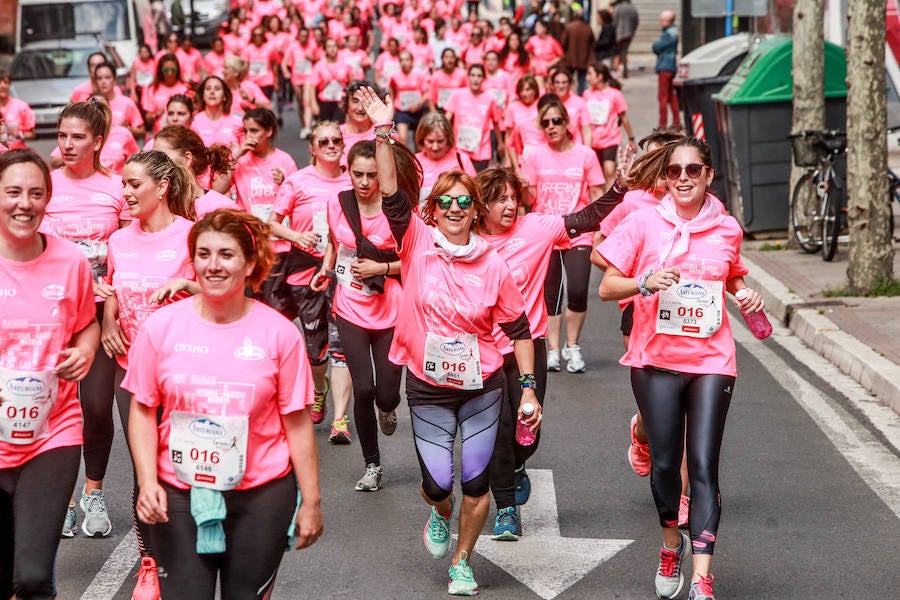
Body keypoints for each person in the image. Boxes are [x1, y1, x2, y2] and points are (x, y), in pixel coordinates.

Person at [357, 85, 541, 597]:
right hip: (429, 384)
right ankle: (439, 514)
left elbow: (519, 330)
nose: (456, 208)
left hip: (482, 385)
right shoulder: (415, 242)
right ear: (433, 210)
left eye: (465, 202)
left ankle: (463, 561)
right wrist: (384, 129)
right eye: (447, 202)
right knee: (439, 484)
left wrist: (526, 388)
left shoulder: (494, 263)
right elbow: (392, 192)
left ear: (474, 211)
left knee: (476, 482)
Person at [123, 209, 324, 599]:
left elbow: (297, 423)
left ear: (251, 263)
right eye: (203, 254)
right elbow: (143, 408)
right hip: (178, 490)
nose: (213, 265)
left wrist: (312, 501)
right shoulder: (160, 328)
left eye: (227, 254)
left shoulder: (279, 334)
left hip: (261, 494)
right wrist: (147, 482)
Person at [597, 137, 762, 600]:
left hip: (713, 360)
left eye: (694, 170)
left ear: (709, 175)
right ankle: (671, 544)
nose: (684, 178)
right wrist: (644, 281)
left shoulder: (727, 228)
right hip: (656, 361)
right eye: (674, 171)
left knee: (704, 464)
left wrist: (743, 294)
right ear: (665, 178)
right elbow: (608, 287)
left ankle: (702, 577)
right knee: (668, 465)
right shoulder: (644, 222)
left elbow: (730, 273)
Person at [476, 164, 628, 539]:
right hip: (482, 352)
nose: (510, 206)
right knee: (497, 431)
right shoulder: (468, 240)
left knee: (526, 432)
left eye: (513, 198)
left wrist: (620, 186)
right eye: (500, 200)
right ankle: (507, 509)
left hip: (529, 346)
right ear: (482, 206)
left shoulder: (536, 228)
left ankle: (518, 465)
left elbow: (587, 217)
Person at [0, 149, 99, 600]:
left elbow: (86, 324)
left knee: (34, 575)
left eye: (35, 194)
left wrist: (84, 350)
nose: (25, 203)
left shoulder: (70, 261)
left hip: (51, 434)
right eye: (13, 192)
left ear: (48, 199)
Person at [590, 126, 692, 528]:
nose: (676, 174)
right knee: (656, 412)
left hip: (687, 317)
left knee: (685, 412)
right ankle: (641, 430)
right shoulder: (634, 203)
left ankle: (685, 495)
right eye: (666, 163)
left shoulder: (696, 204)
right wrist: (638, 278)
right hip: (641, 310)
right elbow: (599, 249)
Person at [44, 100, 129, 539]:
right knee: (55, 409)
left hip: (99, 317)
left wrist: (112, 313)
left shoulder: (117, 188)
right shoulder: (46, 186)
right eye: (62, 136)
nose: (67, 144)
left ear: (98, 142)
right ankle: (61, 499)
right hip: (50, 317)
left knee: (95, 407)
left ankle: (92, 492)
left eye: (78, 137)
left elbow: (129, 256)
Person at [309, 139, 413, 491]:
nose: (365, 181)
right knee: (363, 388)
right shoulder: (337, 204)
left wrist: (380, 266)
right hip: (349, 307)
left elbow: (414, 262)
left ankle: (389, 407)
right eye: (358, 174)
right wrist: (325, 268)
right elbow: (336, 245)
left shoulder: (397, 212)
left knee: (386, 393)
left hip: (390, 310)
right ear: (348, 171)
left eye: (372, 174)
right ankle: (373, 466)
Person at [268, 121, 353, 444]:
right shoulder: (297, 182)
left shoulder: (353, 180)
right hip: (306, 270)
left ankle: (340, 418)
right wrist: (297, 235)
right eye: (324, 141)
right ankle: (320, 388)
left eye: (336, 140)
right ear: (313, 149)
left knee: (340, 346)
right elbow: (273, 224)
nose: (331, 145)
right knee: (316, 349)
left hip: (344, 271)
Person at [521, 98, 605, 373]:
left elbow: (596, 196)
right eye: (545, 123)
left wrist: (601, 232)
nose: (551, 126)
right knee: (550, 294)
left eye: (556, 121)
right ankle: (554, 349)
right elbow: (530, 199)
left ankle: (573, 346)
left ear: (567, 123)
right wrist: (522, 187)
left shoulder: (585, 154)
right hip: (545, 232)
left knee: (579, 290)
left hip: (577, 231)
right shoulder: (534, 155)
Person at [226, 108, 298, 218]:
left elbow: (297, 198)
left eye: (254, 131)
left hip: (276, 229)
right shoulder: (239, 159)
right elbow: (218, 188)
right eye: (246, 131)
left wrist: (284, 183)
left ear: (269, 131)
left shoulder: (285, 160)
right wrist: (237, 154)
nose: (248, 135)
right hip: (248, 227)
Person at [152, 125, 237, 217]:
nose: (154, 164)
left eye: (162, 157)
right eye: (154, 158)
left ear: (187, 159)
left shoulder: (220, 207)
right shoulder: (155, 207)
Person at [583, 62, 638, 188]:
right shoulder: (586, 94)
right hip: (592, 141)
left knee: (609, 170)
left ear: (600, 76)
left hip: (610, 139)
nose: (587, 78)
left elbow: (623, 117)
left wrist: (631, 139)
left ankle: (610, 202)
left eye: (590, 74)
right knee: (594, 175)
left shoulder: (615, 94)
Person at [443, 64, 504, 172]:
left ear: (484, 79)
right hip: (460, 147)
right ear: (468, 77)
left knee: (478, 184)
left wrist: (500, 143)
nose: (475, 79)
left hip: (482, 150)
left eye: (479, 76)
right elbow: (446, 118)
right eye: (473, 75)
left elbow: (495, 123)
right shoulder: (457, 94)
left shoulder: (490, 98)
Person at [414, 111, 476, 205]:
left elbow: (475, 192)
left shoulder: (461, 159)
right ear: (422, 140)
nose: (435, 147)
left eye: (440, 141)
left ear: (448, 139)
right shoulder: (414, 162)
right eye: (430, 141)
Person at [141, 53, 190, 133]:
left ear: (178, 70)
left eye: (173, 70)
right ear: (160, 70)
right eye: (166, 70)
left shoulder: (186, 88)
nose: (170, 73)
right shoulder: (152, 89)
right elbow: (148, 118)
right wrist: (156, 115)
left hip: (182, 134)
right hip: (160, 134)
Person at [504, 76, 543, 174]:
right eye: (521, 90)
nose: (524, 94)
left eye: (528, 90)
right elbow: (508, 136)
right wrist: (508, 159)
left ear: (535, 90)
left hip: (540, 155)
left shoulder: (541, 106)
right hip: (519, 156)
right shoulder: (513, 108)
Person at [652, 10, 681, 129]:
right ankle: (676, 121)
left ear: (666, 21)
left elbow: (656, 46)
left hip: (665, 67)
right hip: (670, 67)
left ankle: (662, 123)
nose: (660, 23)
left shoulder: (668, 34)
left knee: (663, 96)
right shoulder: (673, 32)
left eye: (661, 20)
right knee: (670, 95)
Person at [560, 3, 595, 94]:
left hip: (570, 58)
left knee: (568, 78)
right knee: (582, 80)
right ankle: (581, 95)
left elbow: (563, 42)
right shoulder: (587, 27)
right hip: (583, 58)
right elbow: (592, 42)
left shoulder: (569, 27)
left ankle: (569, 94)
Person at [0, 68, 36, 150]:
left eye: (6, 82)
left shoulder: (21, 106)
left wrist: (19, 134)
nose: (3, 86)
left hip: (17, 153)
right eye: (0, 82)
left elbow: (32, 134)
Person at [612, 0, 639, 77]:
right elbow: (636, 21)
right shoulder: (633, 8)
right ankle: (624, 71)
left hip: (619, 34)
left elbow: (614, 21)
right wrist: (632, 31)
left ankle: (618, 70)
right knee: (624, 53)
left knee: (618, 53)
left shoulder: (618, 7)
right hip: (629, 34)